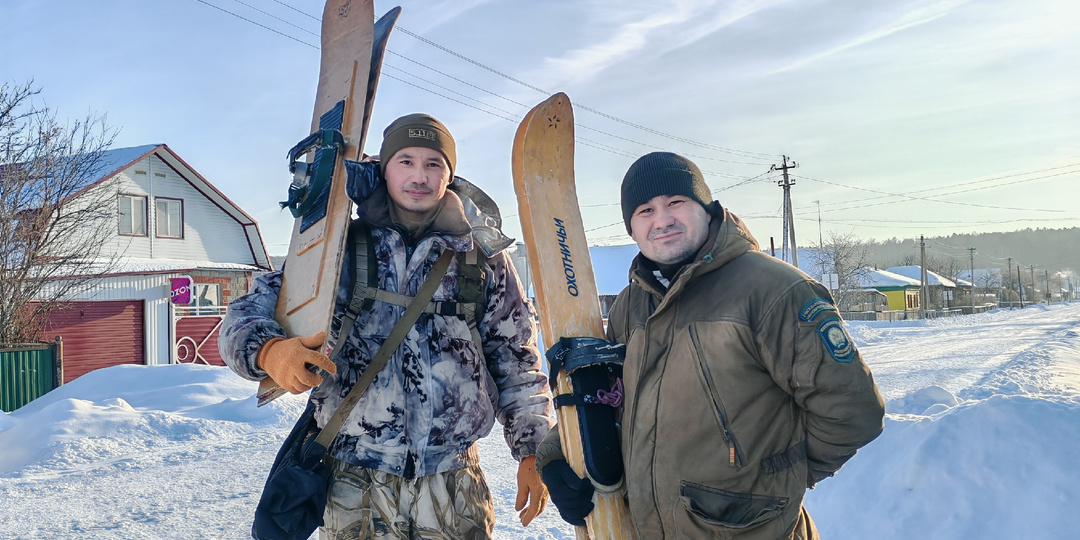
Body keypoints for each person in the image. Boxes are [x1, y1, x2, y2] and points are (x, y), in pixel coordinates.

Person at [221, 113, 554, 539]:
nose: (420, 176)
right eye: (406, 161)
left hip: (453, 484)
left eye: (434, 164)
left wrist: (533, 450)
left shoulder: (483, 259)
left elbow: (517, 362)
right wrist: (269, 352)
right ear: (385, 168)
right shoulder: (333, 249)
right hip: (354, 483)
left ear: (450, 175)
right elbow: (241, 317)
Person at [536, 152, 885, 539]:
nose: (662, 220)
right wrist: (555, 456)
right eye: (645, 211)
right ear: (631, 228)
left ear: (707, 207)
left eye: (676, 203)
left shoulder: (773, 290)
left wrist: (773, 481)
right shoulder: (629, 306)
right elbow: (605, 398)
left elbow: (852, 411)